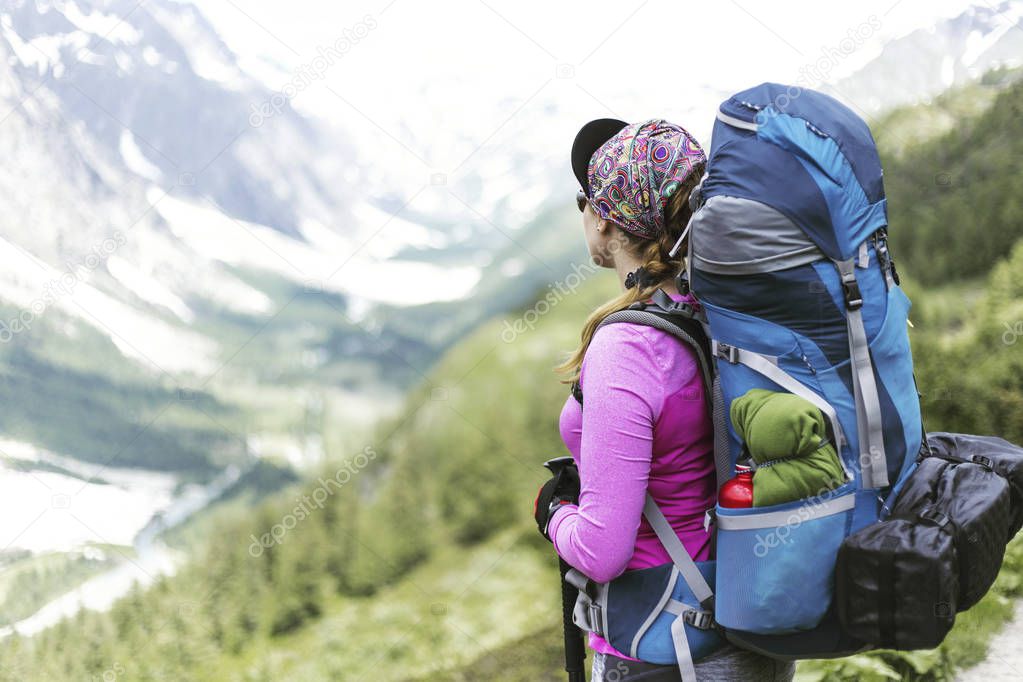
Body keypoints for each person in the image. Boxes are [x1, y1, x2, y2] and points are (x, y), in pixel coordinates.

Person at [534, 119, 796, 681]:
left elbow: (603, 550)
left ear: (605, 220)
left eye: (585, 200)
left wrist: (553, 514)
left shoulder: (628, 346)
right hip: (754, 622)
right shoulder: (724, 311)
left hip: (664, 649)